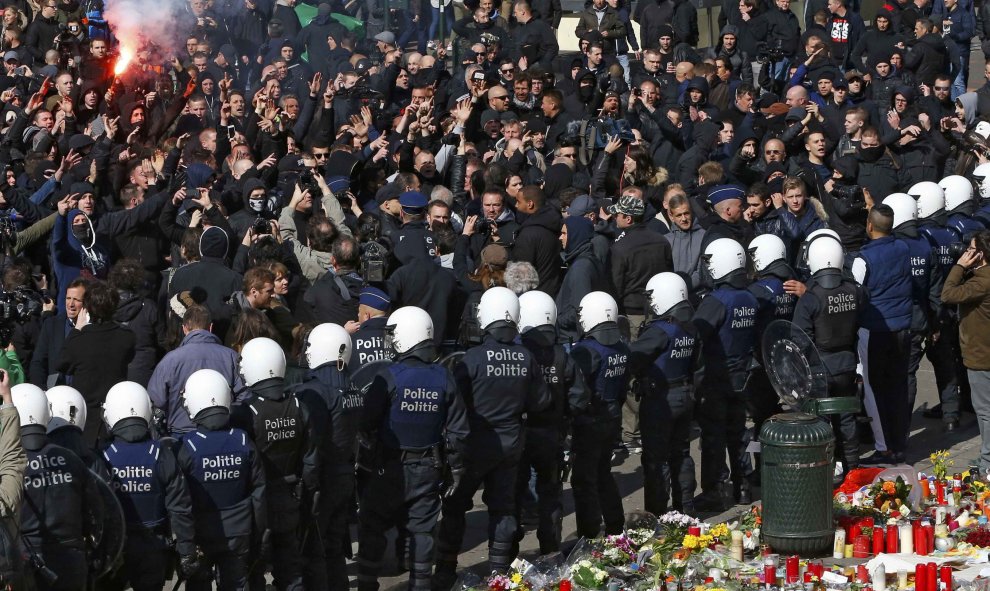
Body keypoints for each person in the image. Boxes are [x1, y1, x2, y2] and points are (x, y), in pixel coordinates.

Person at [437, 288, 550, 585]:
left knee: (455, 507)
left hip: (473, 444)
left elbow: (452, 403)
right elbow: (540, 402)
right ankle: (499, 573)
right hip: (510, 444)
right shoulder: (526, 357)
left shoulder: (471, 359)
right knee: (503, 508)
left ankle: (446, 569)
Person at [358, 306, 468, 591]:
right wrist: (456, 468)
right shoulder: (444, 376)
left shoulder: (389, 375)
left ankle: (367, 585)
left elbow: (367, 420)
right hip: (427, 468)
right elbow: (458, 430)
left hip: (388, 468)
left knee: (372, 528)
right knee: (422, 533)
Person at [231, 337, 318, 590]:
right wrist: (307, 496)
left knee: (254, 567)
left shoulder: (244, 413)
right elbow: (310, 460)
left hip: (256, 503)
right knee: (290, 569)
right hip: (290, 497)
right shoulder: (299, 405)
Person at [100, 381, 199, 591]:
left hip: (116, 547)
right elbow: (180, 508)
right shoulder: (161, 453)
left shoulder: (103, 456)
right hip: (154, 547)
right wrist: (186, 550)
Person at [176, 369, 266, 591]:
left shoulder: (186, 447)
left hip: (201, 534)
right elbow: (259, 491)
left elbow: (179, 499)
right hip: (239, 531)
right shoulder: (243, 440)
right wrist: (260, 531)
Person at [12, 382, 104, 590]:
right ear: (47, 412)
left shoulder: (9, 465)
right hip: (72, 561)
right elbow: (95, 511)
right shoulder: (70, 458)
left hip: (26, 562)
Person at [516, 290, 588, 554]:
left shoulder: (518, 353)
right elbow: (579, 396)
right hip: (551, 432)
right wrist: (565, 417)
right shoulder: (561, 354)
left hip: (522, 432)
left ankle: (508, 557)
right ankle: (550, 549)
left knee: (514, 492)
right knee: (550, 492)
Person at [292, 324, 362, 591]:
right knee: (333, 546)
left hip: (322, 479)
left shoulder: (315, 392)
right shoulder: (352, 388)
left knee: (315, 548)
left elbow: (312, 441)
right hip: (345, 475)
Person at [692, 238, 758, 511]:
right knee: (738, 433)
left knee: (714, 437)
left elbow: (697, 333)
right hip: (742, 375)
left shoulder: (717, 300)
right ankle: (743, 486)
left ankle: (715, 490)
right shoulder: (750, 297)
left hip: (717, 377)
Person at [793, 232, 864, 477]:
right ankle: (853, 467)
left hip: (820, 368)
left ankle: (826, 469)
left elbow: (799, 338)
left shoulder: (811, 297)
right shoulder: (854, 291)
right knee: (846, 418)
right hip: (846, 364)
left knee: (821, 421)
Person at [630, 273, 699, 514]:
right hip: (685, 393)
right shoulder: (690, 326)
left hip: (661, 399)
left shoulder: (659, 331)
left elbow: (633, 358)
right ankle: (686, 509)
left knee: (655, 460)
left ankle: (657, 513)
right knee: (681, 454)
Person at [853, 204, 913, 463]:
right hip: (903, 327)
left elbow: (855, 295)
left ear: (869, 225)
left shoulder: (863, 258)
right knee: (897, 386)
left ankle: (884, 447)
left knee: (873, 389)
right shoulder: (903, 248)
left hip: (875, 331)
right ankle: (899, 442)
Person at [569, 291, 631, 538]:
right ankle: (615, 524)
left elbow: (576, 390)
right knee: (603, 473)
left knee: (584, 481)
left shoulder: (585, 351)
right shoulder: (622, 347)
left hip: (589, 421)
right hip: (612, 417)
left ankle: (588, 533)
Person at [57, 279, 136, 446]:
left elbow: (62, 363)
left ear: (87, 308)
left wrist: (77, 330)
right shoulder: (126, 337)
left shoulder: (79, 341)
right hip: (116, 414)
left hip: (86, 418)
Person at [148, 304, 246, 436]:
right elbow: (244, 395)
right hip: (223, 431)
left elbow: (156, 400)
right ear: (211, 328)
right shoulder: (231, 356)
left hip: (182, 433)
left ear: (184, 329)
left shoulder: (170, 360)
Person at [942, 230, 990, 475]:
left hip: (981, 356)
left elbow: (948, 294)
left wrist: (960, 266)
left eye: (970, 250)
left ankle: (987, 463)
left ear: (980, 254)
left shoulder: (980, 282)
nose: (966, 253)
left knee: (985, 411)